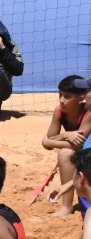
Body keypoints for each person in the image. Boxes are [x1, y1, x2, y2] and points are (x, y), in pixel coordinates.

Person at [42, 75, 91, 216]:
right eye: (60, 95)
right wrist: (66, 135)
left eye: (67, 97)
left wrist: (48, 142)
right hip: (84, 153)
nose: (62, 100)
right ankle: (66, 206)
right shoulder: (59, 111)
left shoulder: (88, 114)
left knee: (65, 153)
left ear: (81, 97)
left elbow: (78, 146)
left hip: (85, 154)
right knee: (65, 152)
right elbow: (51, 137)